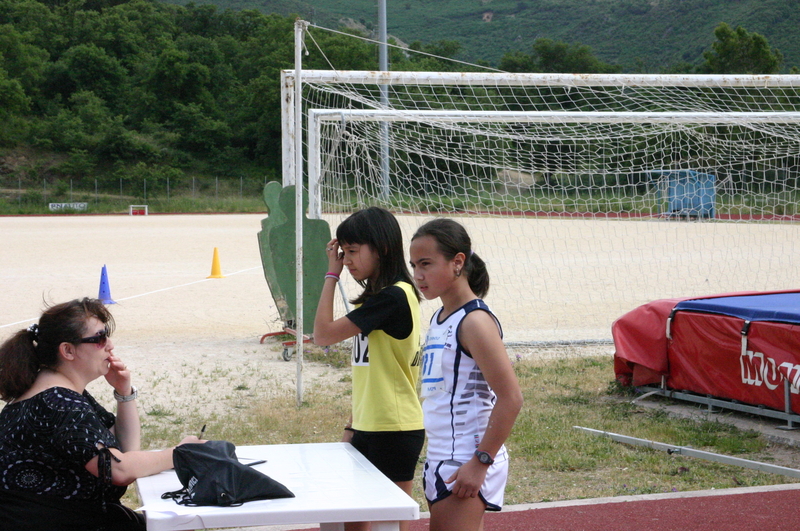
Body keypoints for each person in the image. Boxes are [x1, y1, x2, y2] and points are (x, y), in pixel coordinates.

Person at [0, 298, 202, 531]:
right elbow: (119, 470)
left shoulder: (55, 392)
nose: (110, 345)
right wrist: (181, 454)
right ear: (67, 350)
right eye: (99, 338)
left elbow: (125, 450)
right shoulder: (58, 402)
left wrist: (124, 393)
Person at [313, 206, 424, 531]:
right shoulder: (375, 301)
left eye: (353, 251)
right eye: (343, 252)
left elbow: (322, 335)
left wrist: (330, 275)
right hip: (369, 426)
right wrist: (353, 425)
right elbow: (371, 374)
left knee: (390, 522)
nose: (346, 260)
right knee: (354, 522)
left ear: (383, 248)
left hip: (394, 427)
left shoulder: (394, 298)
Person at [409, 218, 523, 531]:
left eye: (427, 264)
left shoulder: (474, 322)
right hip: (441, 456)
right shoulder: (440, 316)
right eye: (414, 265)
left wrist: (480, 462)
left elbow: (511, 398)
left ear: (458, 262)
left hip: (466, 460)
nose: (418, 275)